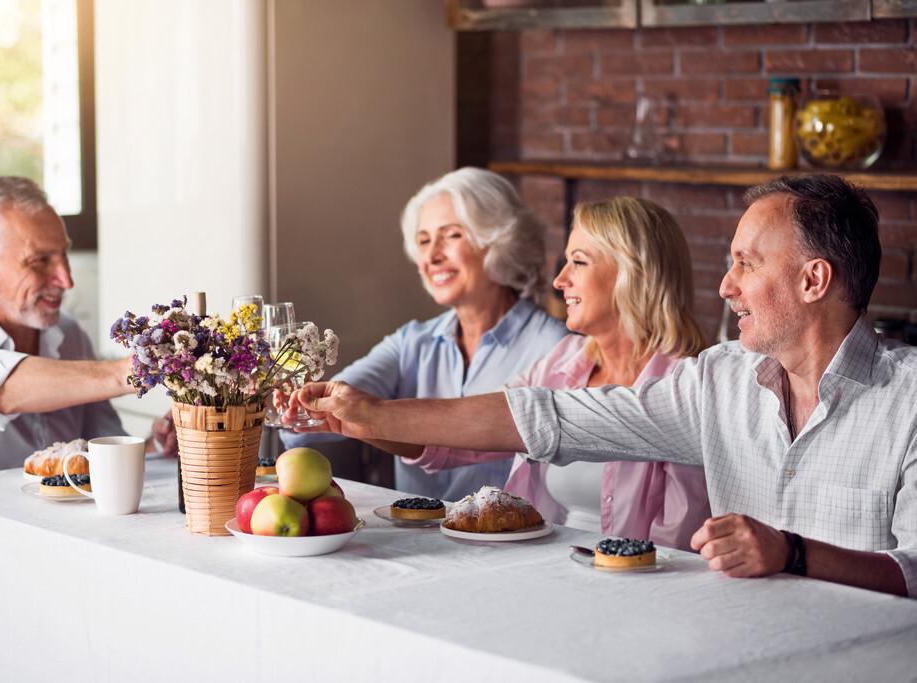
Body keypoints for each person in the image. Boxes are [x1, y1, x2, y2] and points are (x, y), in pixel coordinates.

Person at [294, 175, 917, 598]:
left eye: (746, 265)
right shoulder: (718, 382)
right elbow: (554, 419)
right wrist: (375, 416)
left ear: (814, 280)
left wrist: (794, 553)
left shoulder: (908, 400)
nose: (726, 287)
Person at [395, 197, 711, 549]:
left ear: (632, 273)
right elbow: (461, 440)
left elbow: (676, 550)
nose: (560, 281)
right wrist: (357, 416)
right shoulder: (563, 361)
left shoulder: (687, 386)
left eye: (578, 262)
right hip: (549, 567)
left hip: (632, 583)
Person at [281, 167, 567, 500]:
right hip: (418, 541)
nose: (431, 256)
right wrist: (299, 407)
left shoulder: (556, 348)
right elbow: (316, 426)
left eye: (452, 235)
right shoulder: (411, 343)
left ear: (497, 240)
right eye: (424, 240)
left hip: (517, 544)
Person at [0, 177, 164, 484]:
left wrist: (157, 446)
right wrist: (129, 371)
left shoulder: (70, 336)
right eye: (40, 261)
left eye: (64, 255)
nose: (66, 280)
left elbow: (105, 455)